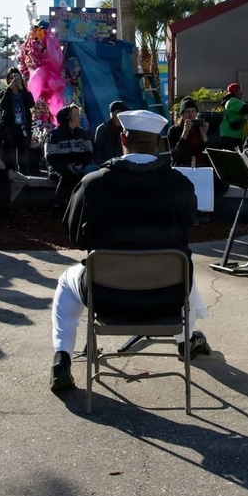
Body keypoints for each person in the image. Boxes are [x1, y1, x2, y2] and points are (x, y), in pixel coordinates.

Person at [50, 109, 211, 392]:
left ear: (123, 138)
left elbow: (75, 237)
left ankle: (62, 357)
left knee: (66, 281)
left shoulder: (93, 184)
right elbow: (187, 228)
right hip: (167, 298)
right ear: (160, 143)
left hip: (108, 297)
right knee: (180, 264)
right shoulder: (180, 185)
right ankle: (185, 340)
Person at [45, 104, 96, 208]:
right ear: (68, 118)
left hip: (80, 165)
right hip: (59, 167)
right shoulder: (54, 135)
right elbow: (50, 157)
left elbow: (89, 152)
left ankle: (89, 204)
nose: (79, 117)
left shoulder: (83, 133)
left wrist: (81, 164)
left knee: (92, 171)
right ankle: (60, 204)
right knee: (66, 176)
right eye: (76, 115)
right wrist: (67, 165)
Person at [0, 67, 35, 172]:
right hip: (9, 128)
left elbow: (31, 104)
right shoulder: (4, 92)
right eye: (10, 78)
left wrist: (23, 90)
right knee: (10, 156)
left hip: (23, 127)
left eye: (16, 77)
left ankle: (25, 176)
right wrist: (9, 89)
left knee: (24, 156)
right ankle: (11, 176)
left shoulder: (25, 93)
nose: (13, 80)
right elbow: (1, 105)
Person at [167, 97, 210, 168]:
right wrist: (184, 133)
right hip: (183, 167)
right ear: (182, 115)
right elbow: (175, 155)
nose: (191, 114)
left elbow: (208, 152)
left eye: (193, 111)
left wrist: (204, 135)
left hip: (201, 167)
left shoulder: (201, 128)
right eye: (187, 111)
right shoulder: (173, 130)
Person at [219, 82, 248, 150]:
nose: (242, 93)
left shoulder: (230, 101)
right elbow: (246, 108)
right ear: (236, 91)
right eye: (240, 91)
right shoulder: (233, 101)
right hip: (231, 135)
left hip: (230, 134)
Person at [92, 100, 127, 165]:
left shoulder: (125, 129)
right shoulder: (102, 129)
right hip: (105, 166)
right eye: (120, 112)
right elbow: (97, 153)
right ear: (114, 114)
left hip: (122, 166)